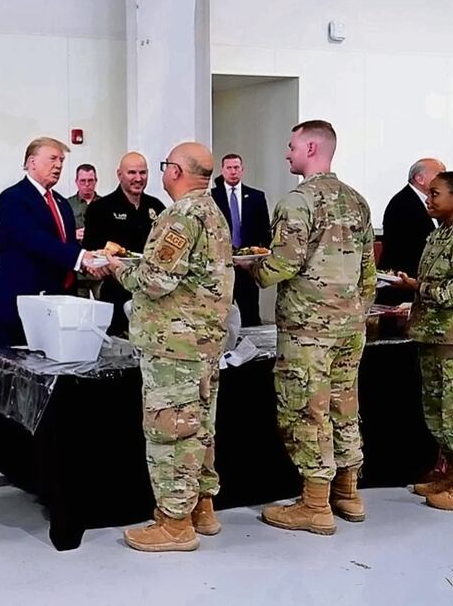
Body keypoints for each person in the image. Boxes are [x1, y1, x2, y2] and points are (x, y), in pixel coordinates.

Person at [243, 120, 376, 535]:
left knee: (306, 408)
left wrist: (253, 269)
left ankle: (315, 504)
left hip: (308, 330)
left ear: (313, 148)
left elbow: (281, 264)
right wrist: (354, 310)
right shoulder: (357, 201)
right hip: (350, 326)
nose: (287, 154)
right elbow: (369, 271)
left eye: (292, 146)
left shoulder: (297, 202)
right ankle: (348, 493)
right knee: (344, 405)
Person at [108, 142, 233, 552]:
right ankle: (202, 508)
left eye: (164, 166)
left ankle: (174, 522)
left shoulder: (179, 216)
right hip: (204, 342)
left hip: (174, 347)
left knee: (170, 433)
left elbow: (156, 280)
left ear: (175, 171)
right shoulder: (213, 211)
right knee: (202, 429)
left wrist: (117, 268)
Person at [396, 170, 453, 510]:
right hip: (434, 334)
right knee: (438, 414)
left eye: (436, 193)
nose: (429, 199)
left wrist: (419, 289)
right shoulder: (441, 233)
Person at [0, 137, 109, 347]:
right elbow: (34, 239)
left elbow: (66, 245)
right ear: (32, 162)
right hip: (20, 304)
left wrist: (91, 264)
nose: (59, 165)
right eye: (52, 158)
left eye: (61, 160)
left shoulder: (61, 203)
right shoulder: (13, 198)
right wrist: (81, 258)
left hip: (56, 304)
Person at [82, 152, 166, 335]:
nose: (138, 178)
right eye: (132, 173)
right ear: (119, 174)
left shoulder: (157, 207)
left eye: (142, 173)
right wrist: (99, 264)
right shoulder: (100, 208)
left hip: (151, 293)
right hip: (116, 291)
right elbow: (89, 250)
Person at [210, 154, 271, 325]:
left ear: (242, 170)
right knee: (222, 316)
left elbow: (264, 231)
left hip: (247, 267)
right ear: (222, 170)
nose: (233, 172)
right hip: (222, 268)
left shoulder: (256, 197)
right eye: (229, 168)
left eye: (236, 168)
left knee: (250, 314)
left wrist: (261, 259)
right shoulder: (212, 197)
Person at [378, 158, 446, 305]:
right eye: (440, 174)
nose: (445, 179)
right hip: (402, 286)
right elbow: (406, 247)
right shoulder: (403, 203)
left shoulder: (432, 203)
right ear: (419, 178)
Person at [68, 164, 102, 298]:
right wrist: (73, 235)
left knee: (104, 308)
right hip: (78, 270)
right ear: (76, 182)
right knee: (80, 312)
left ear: (96, 181)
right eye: (83, 181)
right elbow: (58, 233)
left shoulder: (105, 205)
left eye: (90, 180)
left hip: (100, 269)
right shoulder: (67, 205)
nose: (87, 185)